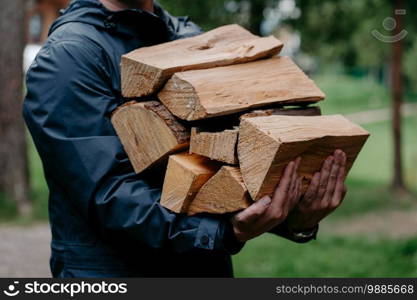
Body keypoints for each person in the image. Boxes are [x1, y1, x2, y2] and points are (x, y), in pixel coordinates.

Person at [23, 0, 348, 278]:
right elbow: (107, 193)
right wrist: (222, 231)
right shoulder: (69, 57)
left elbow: (233, 162)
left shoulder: (189, 37)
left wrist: (294, 217)